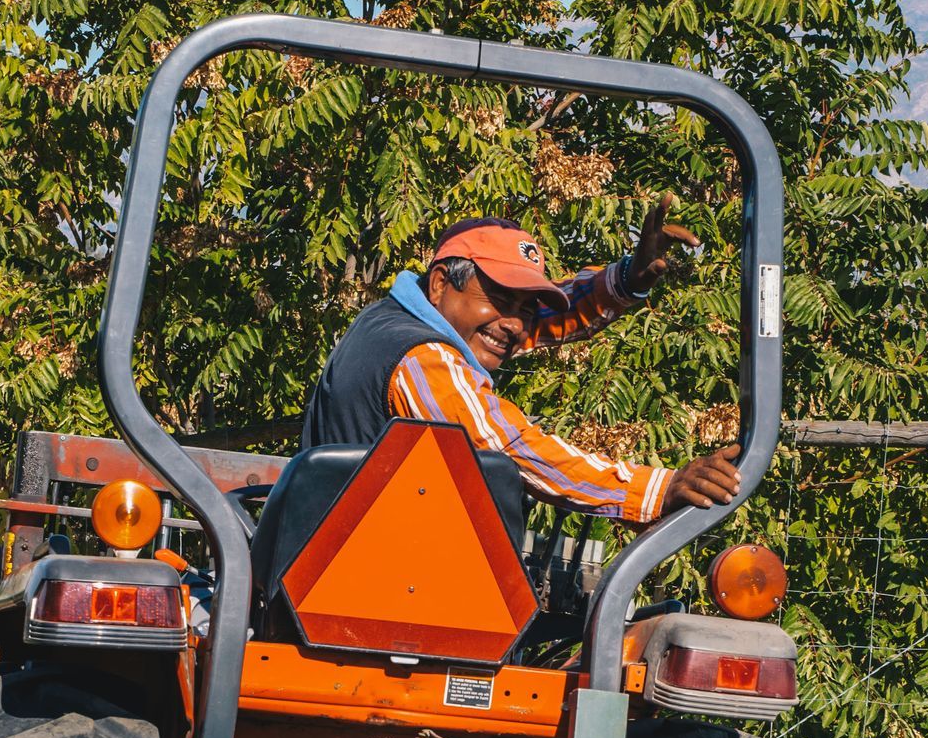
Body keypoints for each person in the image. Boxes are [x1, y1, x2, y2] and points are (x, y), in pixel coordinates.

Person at [298, 203, 741, 521]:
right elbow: (511, 447)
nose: (514, 324)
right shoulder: (424, 360)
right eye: (500, 298)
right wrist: (655, 490)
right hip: (359, 584)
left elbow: (548, 318)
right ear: (440, 284)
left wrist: (627, 279)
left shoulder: (396, 317)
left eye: (525, 306)